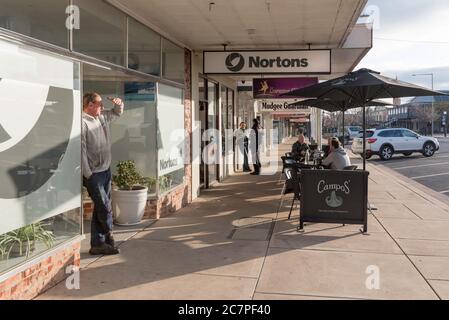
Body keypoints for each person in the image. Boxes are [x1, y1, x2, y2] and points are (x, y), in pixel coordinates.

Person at [82, 92, 124, 255]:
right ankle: (109, 235)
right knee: (104, 208)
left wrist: (118, 104)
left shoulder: (101, 116)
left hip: (106, 170)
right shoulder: (82, 123)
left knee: (100, 208)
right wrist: (88, 175)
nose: (103, 107)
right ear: (90, 105)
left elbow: (116, 113)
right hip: (94, 174)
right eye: (100, 104)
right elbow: (81, 151)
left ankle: (98, 244)